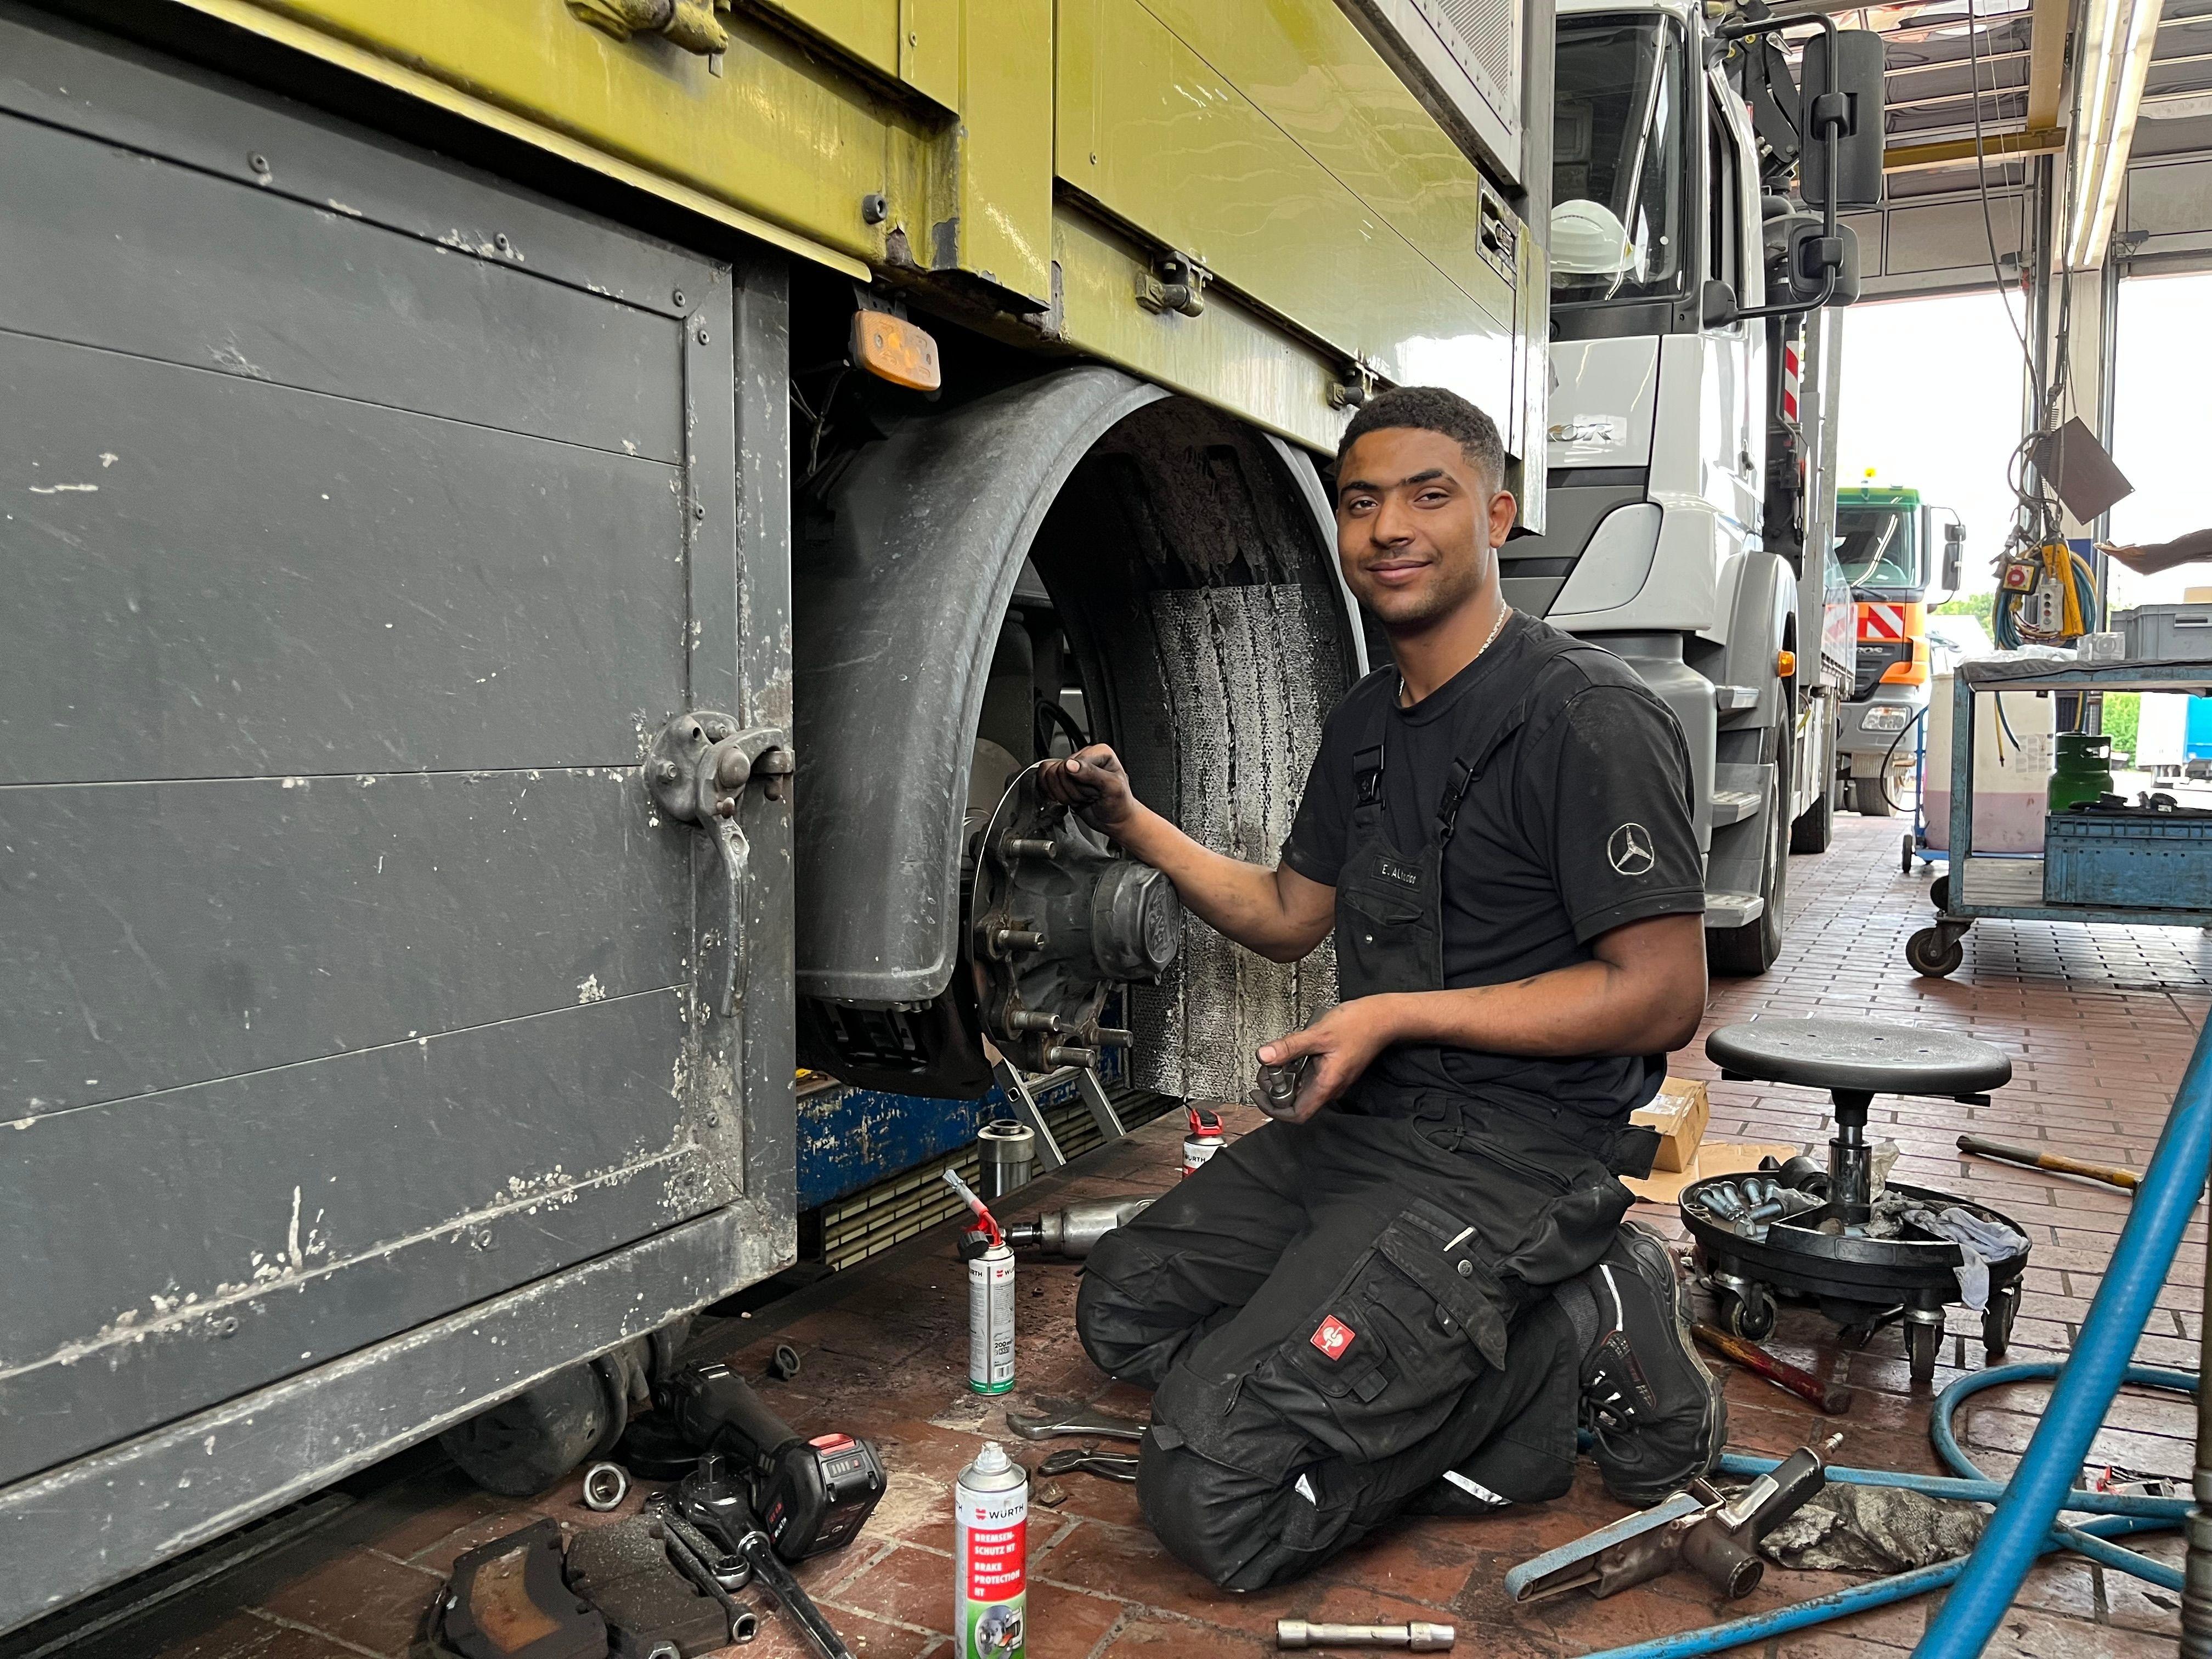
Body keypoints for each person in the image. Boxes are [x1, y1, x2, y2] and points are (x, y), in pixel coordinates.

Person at [1046, 386, 1719, 1590]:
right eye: (1362, 503)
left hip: (1518, 1159)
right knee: (1124, 1312)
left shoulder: (1587, 718)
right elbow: (1288, 916)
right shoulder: (1364, 722)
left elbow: (1664, 996)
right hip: (1366, 1137)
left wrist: (1398, 1012)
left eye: (1429, 495)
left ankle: (1584, 1316)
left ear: (1499, 514)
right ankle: (1413, 1344)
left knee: (1212, 1493)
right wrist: (1134, 822)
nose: (1387, 528)